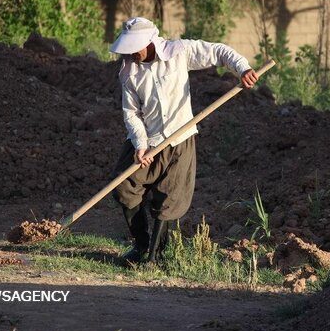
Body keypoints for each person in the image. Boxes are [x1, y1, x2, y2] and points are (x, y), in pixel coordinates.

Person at [109, 17, 258, 263]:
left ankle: (155, 256)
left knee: (169, 198)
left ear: (149, 42)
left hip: (180, 138)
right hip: (149, 140)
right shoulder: (128, 72)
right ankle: (141, 245)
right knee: (124, 186)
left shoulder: (178, 52)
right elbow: (132, 113)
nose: (131, 53)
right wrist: (141, 144)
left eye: (135, 47)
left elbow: (218, 51)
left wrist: (242, 68)